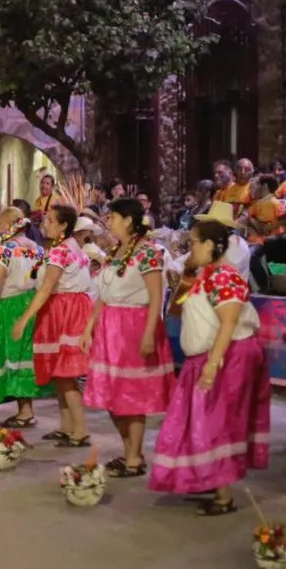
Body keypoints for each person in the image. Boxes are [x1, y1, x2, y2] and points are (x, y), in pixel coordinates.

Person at [149, 218, 271, 516]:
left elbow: (228, 322)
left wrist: (213, 365)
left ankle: (223, 494)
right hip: (209, 356)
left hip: (227, 356)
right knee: (201, 419)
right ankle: (210, 479)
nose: (189, 247)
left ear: (209, 245)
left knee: (217, 420)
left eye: (192, 242)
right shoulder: (209, 274)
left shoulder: (223, 276)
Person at [80, 198, 175, 477]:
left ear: (128, 220)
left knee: (131, 395)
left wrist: (148, 335)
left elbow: (157, 296)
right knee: (111, 397)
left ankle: (133, 457)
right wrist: (89, 328)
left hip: (135, 327)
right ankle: (128, 451)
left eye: (113, 217)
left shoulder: (147, 253)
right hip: (111, 328)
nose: (108, 222)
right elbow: (103, 295)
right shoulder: (114, 252)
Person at [12, 205, 94, 447]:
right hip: (72, 307)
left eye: (49, 220)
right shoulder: (73, 247)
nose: (44, 224)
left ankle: (80, 429)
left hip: (64, 310)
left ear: (63, 226)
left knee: (67, 376)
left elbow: (47, 287)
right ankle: (67, 426)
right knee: (61, 375)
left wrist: (25, 318)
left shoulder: (60, 251)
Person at [0, 207, 54, 427]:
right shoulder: (37, 249)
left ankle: (25, 412)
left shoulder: (4, 248)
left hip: (9, 304)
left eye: (1, 224)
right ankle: (25, 409)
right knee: (23, 356)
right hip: (31, 302)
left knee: (11, 355)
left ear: (9, 225)